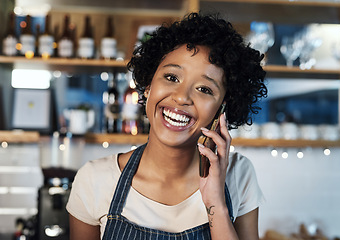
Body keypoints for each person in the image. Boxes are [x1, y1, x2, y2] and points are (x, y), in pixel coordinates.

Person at [66, 12, 267, 240]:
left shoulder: (238, 174)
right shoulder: (95, 179)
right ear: (148, 86)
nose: (182, 97)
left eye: (204, 89)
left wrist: (216, 204)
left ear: (221, 109)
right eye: (172, 77)